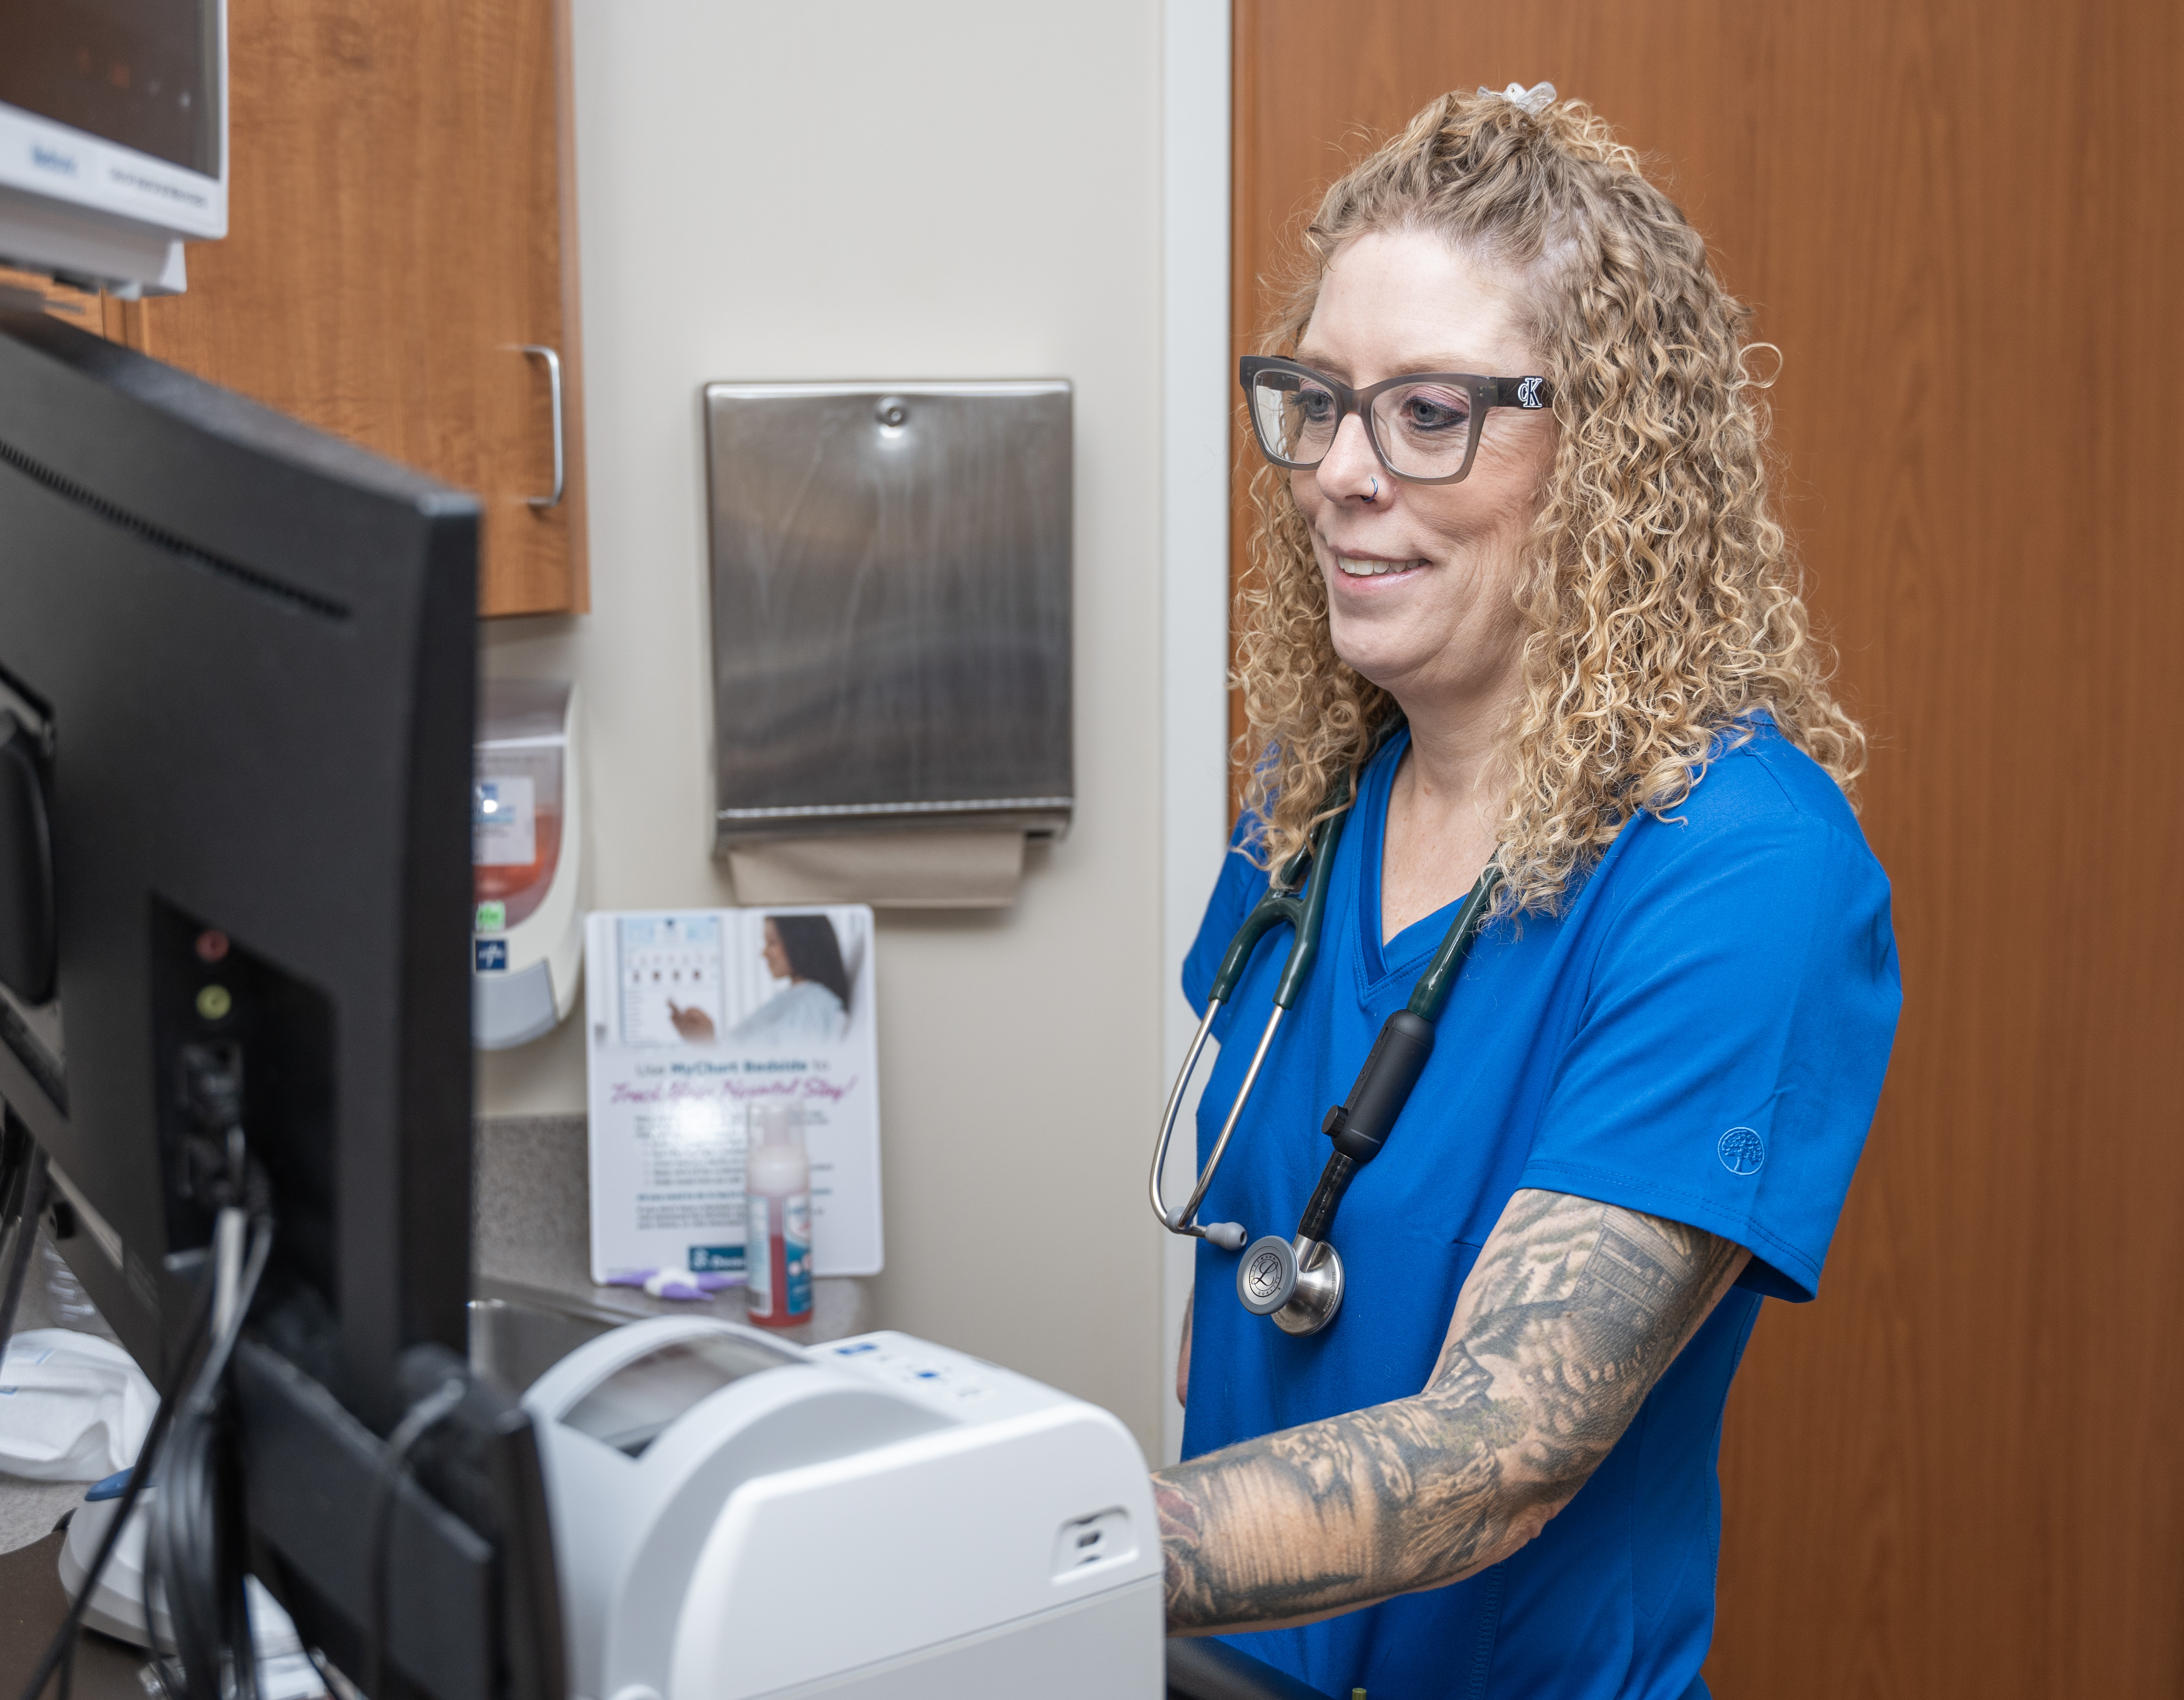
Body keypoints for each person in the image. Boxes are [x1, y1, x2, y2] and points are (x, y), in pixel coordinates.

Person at [1154, 85, 1900, 1700]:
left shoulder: (1742, 872)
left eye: (1428, 413)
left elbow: (1501, 1448)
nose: (1342, 473)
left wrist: (1031, 1549)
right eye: (1318, 401)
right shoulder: (1313, 794)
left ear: (1611, 453)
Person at [729, 914, 851, 1043]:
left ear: (801, 942)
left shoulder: (815, 1004)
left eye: (772, 942)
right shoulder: (794, 999)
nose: (764, 953)